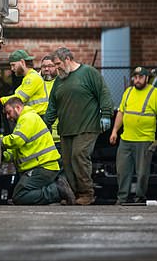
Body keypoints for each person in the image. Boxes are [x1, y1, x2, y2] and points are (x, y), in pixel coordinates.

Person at [43, 47, 114, 205]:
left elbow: (104, 93)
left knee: (79, 155)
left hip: (87, 126)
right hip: (67, 129)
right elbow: (52, 105)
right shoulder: (59, 81)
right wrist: (45, 124)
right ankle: (75, 195)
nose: (56, 68)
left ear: (68, 59)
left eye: (58, 64)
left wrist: (106, 114)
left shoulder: (88, 73)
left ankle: (87, 193)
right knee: (68, 162)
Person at [109, 66, 157, 204]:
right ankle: (122, 198)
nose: (137, 80)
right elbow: (121, 113)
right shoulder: (128, 92)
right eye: (135, 77)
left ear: (147, 78)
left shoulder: (154, 93)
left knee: (142, 172)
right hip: (126, 140)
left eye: (141, 77)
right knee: (122, 171)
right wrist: (114, 131)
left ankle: (140, 196)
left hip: (144, 140)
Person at [1, 97, 75, 205]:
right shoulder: (24, 121)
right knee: (19, 196)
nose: (8, 117)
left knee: (19, 196)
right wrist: (5, 156)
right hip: (42, 167)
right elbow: (16, 150)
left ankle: (57, 190)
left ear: (17, 107)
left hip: (42, 167)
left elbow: (17, 140)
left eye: (9, 112)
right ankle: (54, 190)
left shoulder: (28, 118)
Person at [0, 49, 48, 116]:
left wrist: (0, 100)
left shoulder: (32, 78)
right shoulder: (28, 77)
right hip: (34, 116)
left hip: (38, 116)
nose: (12, 68)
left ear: (22, 62)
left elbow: (18, 98)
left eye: (13, 65)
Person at [40, 54, 61, 152]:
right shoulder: (35, 83)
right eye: (44, 66)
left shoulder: (62, 82)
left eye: (50, 66)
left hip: (59, 135)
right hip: (41, 134)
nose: (47, 69)